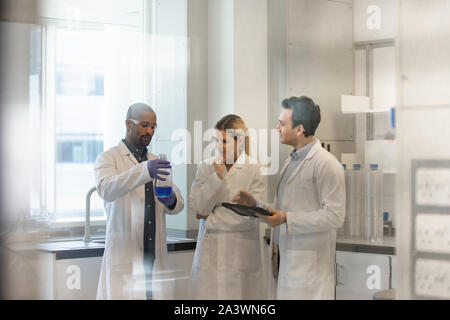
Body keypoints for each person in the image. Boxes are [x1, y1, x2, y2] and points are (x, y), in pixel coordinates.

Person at [232, 96, 346, 299]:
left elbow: (335, 216)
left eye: (282, 124)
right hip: (286, 263)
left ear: (300, 128)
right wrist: (256, 205)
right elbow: (284, 207)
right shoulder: (290, 161)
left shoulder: (327, 164)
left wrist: (286, 218)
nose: (277, 128)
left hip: (310, 273)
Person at [94, 103, 184, 300]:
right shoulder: (108, 158)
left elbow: (178, 204)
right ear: (128, 124)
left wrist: (171, 200)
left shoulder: (156, 161)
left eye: (153, 126)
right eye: (144, 125)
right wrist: (144, 171)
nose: (150, 131)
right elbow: (106, 189)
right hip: (125, 254)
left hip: (154, 257)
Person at [188, 114, 266, 299]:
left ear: (240, 142)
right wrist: (217, 178)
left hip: (241, 257)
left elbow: (251, 215)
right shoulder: (207, 167)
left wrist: (212, 216)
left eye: (224, 141)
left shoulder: (255, 169)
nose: (218, 146)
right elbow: (198, 206)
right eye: (216, 140)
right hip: (210, 257)